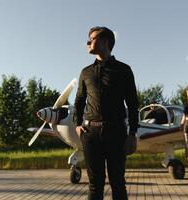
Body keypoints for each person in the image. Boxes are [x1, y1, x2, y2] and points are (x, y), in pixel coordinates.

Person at [74, 26, 139, 200]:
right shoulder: (85, 72)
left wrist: (132, 134)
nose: (88, 42)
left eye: (92, 38)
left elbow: (133, 104)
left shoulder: (124, 70)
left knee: (118, 183)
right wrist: (77, 126)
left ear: (105, 42)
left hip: (116, 133)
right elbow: (79, 101)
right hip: (90, 134)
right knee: (95, 185)